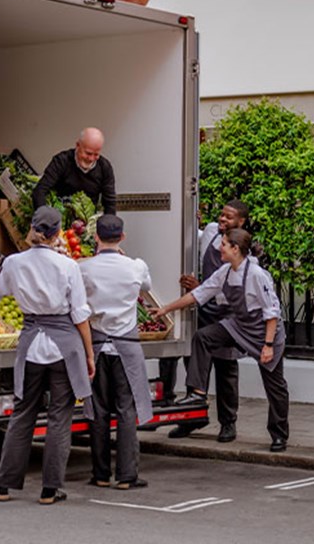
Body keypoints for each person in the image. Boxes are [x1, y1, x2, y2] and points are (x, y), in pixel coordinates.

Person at [0, 206, 96, 504]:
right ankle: (50, 490)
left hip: (30, 345)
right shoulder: (68, 266)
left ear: (32, 228)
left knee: (23, 414)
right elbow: (80, 315)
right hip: (64, 347)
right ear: (57, 233)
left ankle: (3, 486)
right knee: (59, 417)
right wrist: (89, 354)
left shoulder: (14, 262)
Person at [153, 228, 289, 453]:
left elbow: (272, 312)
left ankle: (279, 435)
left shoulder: (256, 274)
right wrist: (165, 309)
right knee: (203, 337)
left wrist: (267, 345)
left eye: (224, 245)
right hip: (239, 326)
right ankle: (196, 392)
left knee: (275, 387)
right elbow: (198, 295)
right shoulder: (225, 272)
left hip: (265, 333)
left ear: (235, 249)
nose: (219, 248)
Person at [159, 200, 248, 442]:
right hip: (204, 311)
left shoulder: (243, 247)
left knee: (226, 368)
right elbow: (194, 238)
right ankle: (192, 418)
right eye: (221, 214)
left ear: (240, 222)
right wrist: (189, 219)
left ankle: (228, 423)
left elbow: (232, 289)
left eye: (229, 217)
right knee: (195, 364)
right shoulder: (210, 231)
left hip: (227, 314)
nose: (222, 219)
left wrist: (200, 288)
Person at [79, 214, 153, 490]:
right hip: (127, 348)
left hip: (96, 347)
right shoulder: (136, 267)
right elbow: (146, 286)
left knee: (97, 410)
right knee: (125, 409)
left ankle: (99, 473)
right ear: (122, 237)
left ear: (95, 237)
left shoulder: (84, 268)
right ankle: (126, 475)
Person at [32, 127, 116, 214]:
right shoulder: (62, 161)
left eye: (96, 154)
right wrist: (45, 219)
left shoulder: (105, 167)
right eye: (88, 153)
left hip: (88, 221)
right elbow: (40, 191)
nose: (91, 158)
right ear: (77, 145)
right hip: (59, 217)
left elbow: (110, 203)